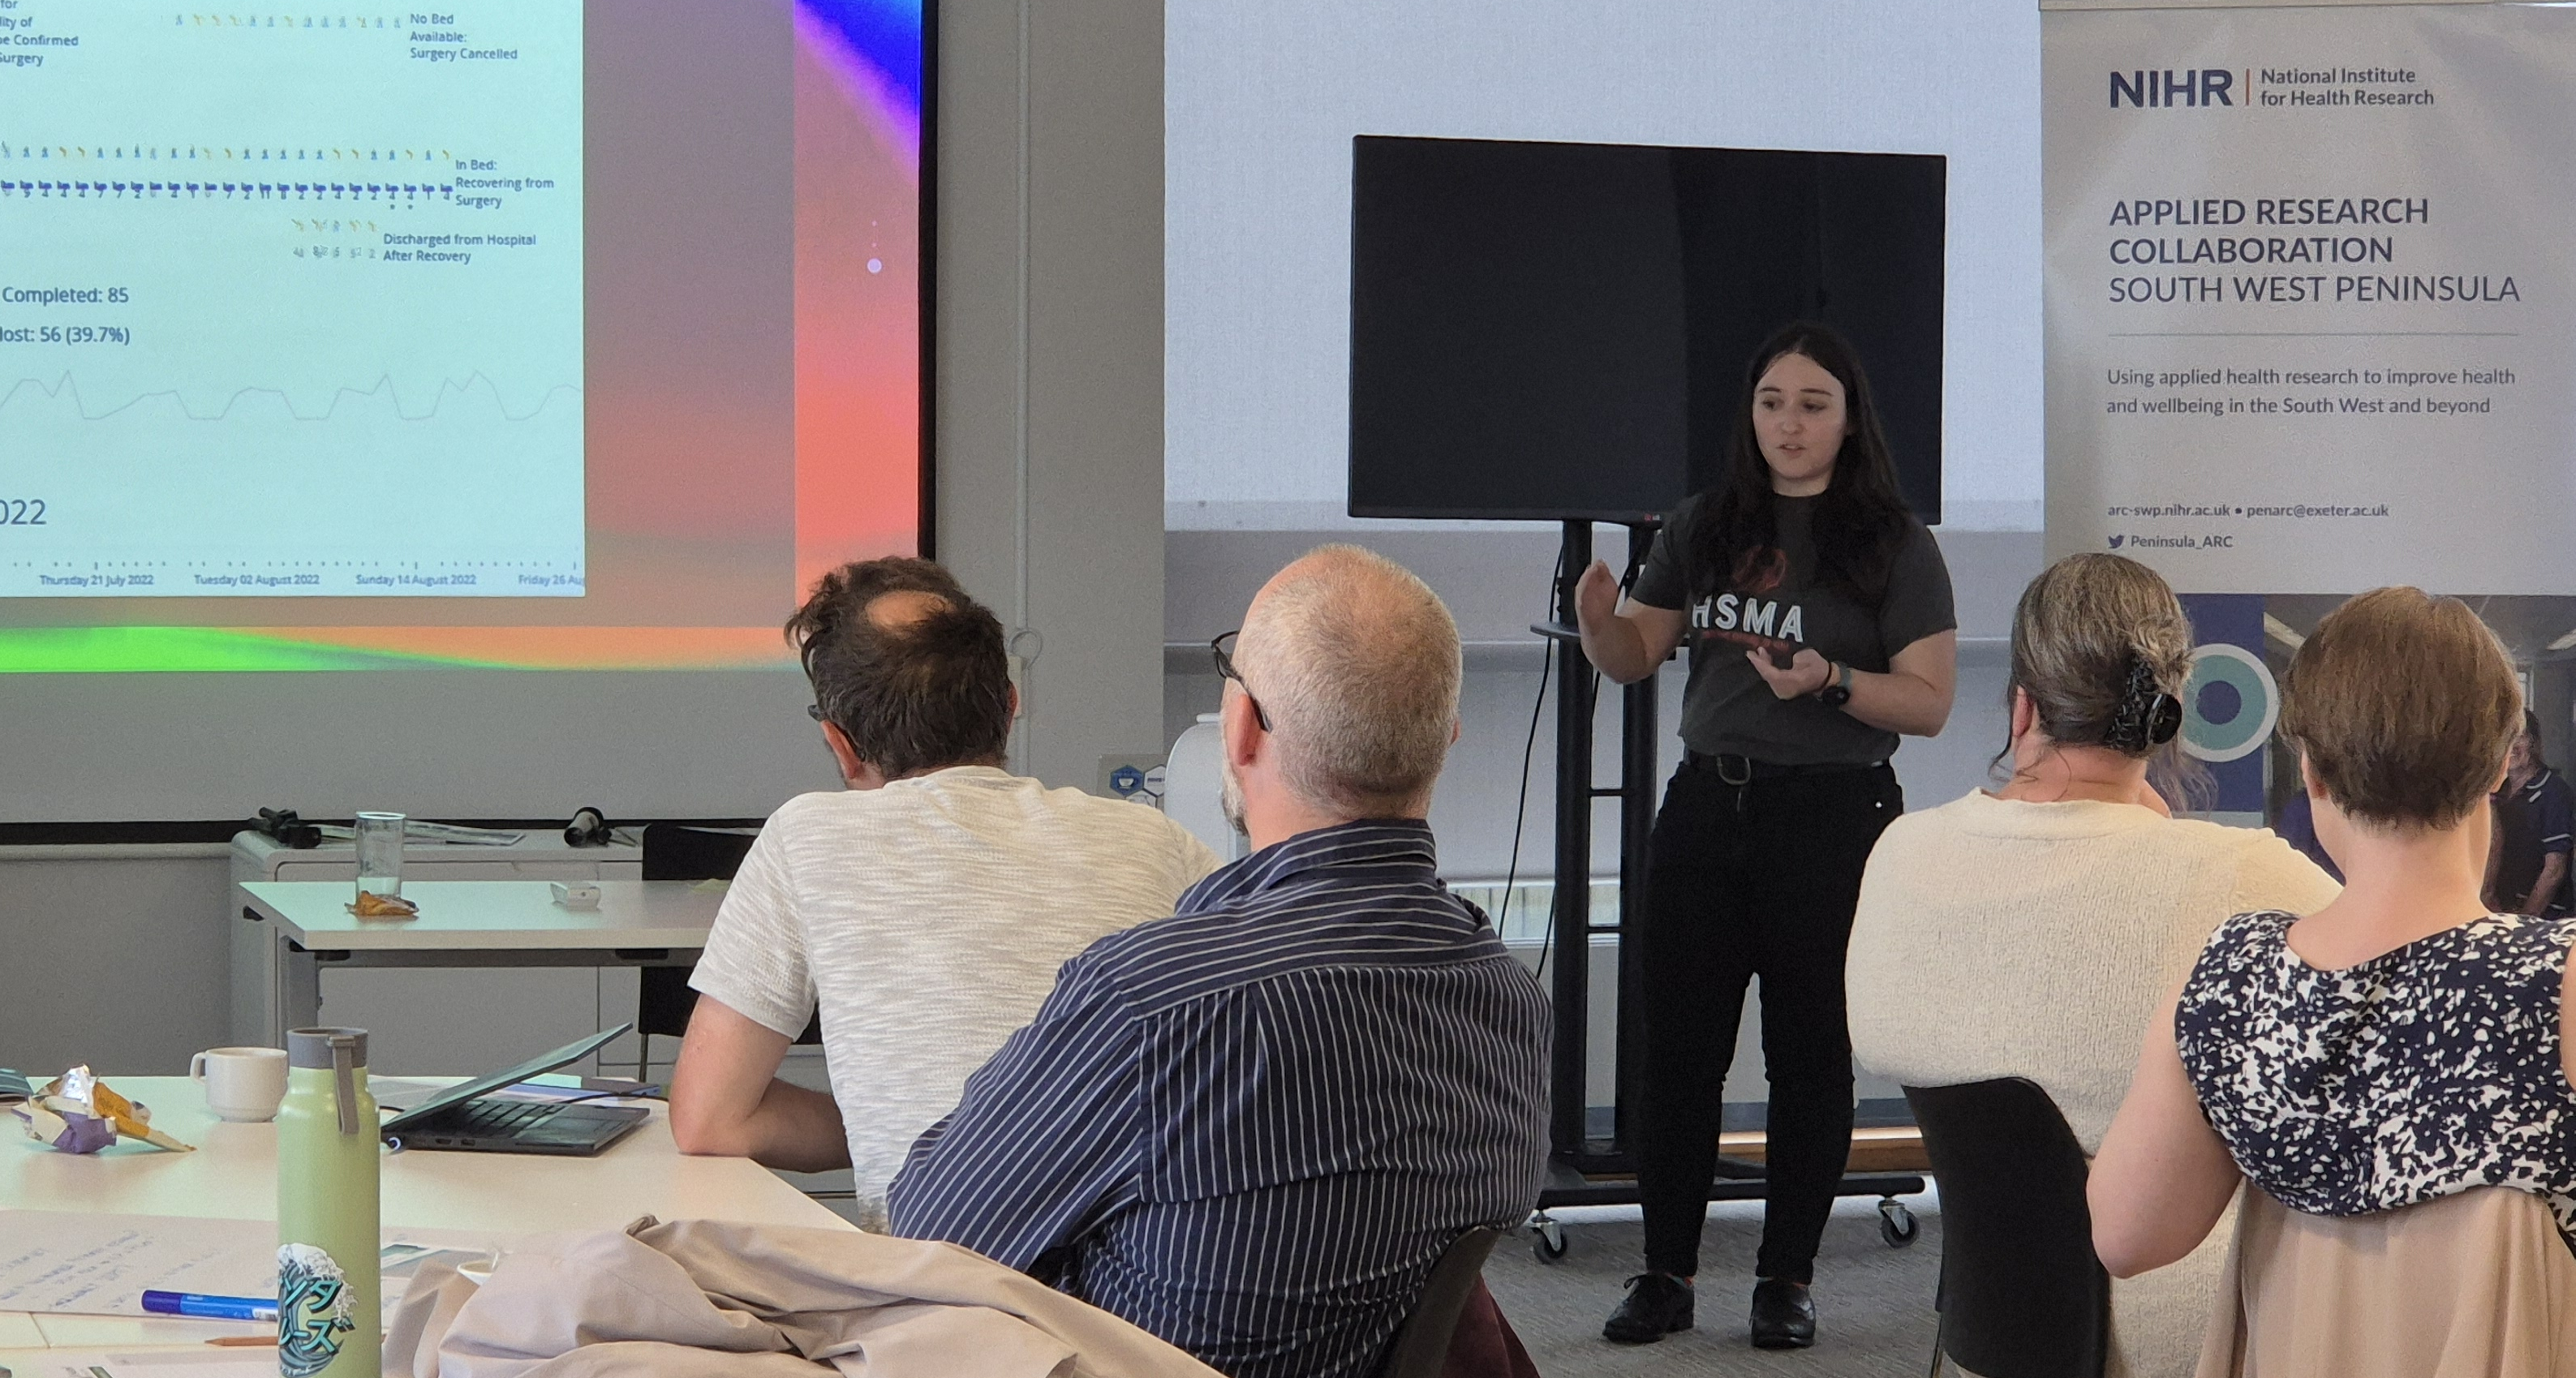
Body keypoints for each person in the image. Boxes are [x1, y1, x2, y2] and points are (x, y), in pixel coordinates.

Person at [888, 545, 1550, 1378]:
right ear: (1446, 743)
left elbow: (931, 1242)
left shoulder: (1152, 1002)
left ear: (1238, 729)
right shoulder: (1508, 1000)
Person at [1845, 552, 2336, 1376]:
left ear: (2023, 705)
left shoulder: (1901, 855)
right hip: (2195, 1337)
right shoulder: (2236, 875)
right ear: (2166, 715)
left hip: (1988, 1338)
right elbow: (2400, 960)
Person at [1572, 321, 1956, 1349]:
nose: (1790, 423)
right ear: (1751, 415)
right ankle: (1666, 1273)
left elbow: (1927, 705)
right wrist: (1600, 619)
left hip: (1833, 817)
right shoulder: (1705, 523)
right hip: (1708, 809)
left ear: (1848, 418)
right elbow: (1633, 657)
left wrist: (1829, 679)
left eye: (1813, 404)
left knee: (1811, 1058)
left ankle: (1786, 1278)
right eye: (1773, 402)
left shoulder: (1895, 542)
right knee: (1679, 1055)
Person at [668, 556, 1219, 1229]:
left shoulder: (807, 836)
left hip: (933, 1297)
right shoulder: (1156, 841)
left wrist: (906, 1121)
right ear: (1011, 705)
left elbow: (709, 1119)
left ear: (839, 744)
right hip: (1145, 1290)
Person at [2089, 588, 2576, 1282]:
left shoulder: (2233, 978)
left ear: (2310, 772)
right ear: (2500, 763)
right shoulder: (2559, 978)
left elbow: (2126, 1240)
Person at [2488, 711, 2571, 917]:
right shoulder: (2496, 791)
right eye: (2506, 737)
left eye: (2520, 737)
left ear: (2534, 744)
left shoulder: (2554, 791)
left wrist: (2525, 921)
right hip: (2500, 913)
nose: (2512, 747)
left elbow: (2554, 870)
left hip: (2543, 919)